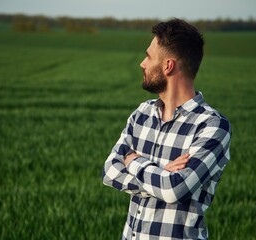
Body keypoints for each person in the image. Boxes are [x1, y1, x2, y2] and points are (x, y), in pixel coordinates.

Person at [102, 18, 231, 240]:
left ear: (168, 66)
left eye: (149, 56)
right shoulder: (141, 114)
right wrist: (162, 174)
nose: (142, 63)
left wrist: (134, 161)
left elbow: (175, 189)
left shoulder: (212, 126)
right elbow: (109, 172)